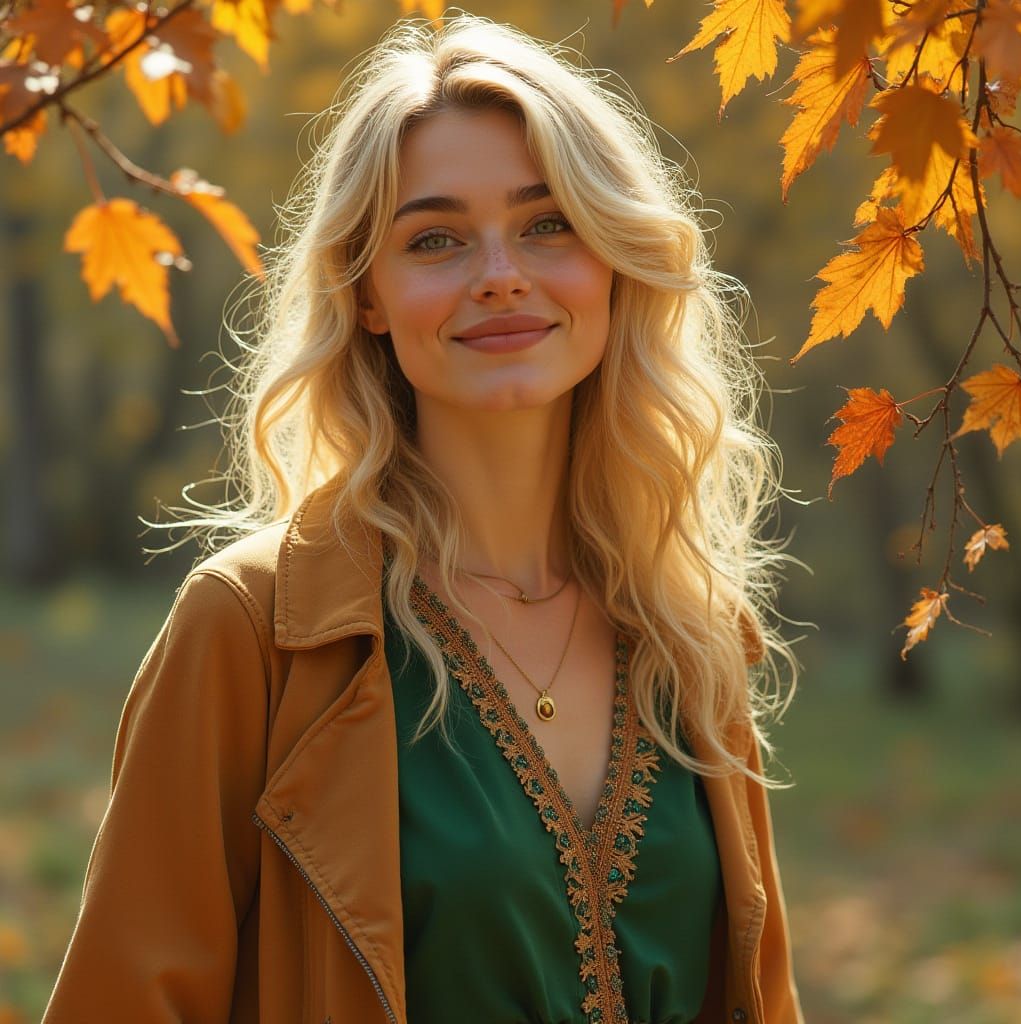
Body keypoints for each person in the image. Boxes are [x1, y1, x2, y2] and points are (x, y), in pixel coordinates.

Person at [43, 13, 804, 1024]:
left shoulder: (690, 629)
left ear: (615, 260)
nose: (499, 272)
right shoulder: (253, 628)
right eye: (434, 239)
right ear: (367, 294)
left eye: (548, 224)